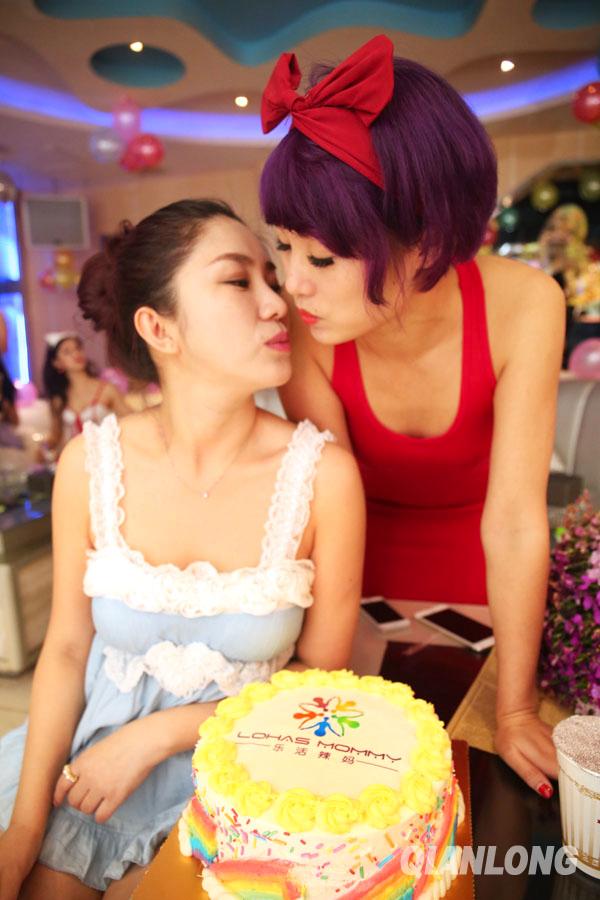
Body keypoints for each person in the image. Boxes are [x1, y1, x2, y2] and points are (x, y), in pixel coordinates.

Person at [0, 199, 364, 900]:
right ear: (158, 327)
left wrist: (157, 735)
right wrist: (22, 830)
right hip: (85, 772)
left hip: (239, 782)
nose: (277, 302)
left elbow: (322, 681)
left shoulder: (325, 477)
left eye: (271, 278)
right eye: (238, 281)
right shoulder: (89, 463)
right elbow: (67, 651)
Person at [260, 36, 563, 795]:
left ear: (425, 238)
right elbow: (330, 516)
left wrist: (516, 709)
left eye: (321, 259)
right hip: (353, 584)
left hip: (494, 584)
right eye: (283, 248)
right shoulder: (307, 329)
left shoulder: (526, 305)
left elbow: (516, 521)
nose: (292, 285)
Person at [41, 333, 130, 456]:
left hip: (107, 456)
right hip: (75, 459)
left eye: (78, 348)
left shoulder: (106, 389)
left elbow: (130, 420)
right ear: (57, 363)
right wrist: (43, 448)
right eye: (67, 352)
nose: (76, 354)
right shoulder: (59, 399)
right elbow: (56, 435)